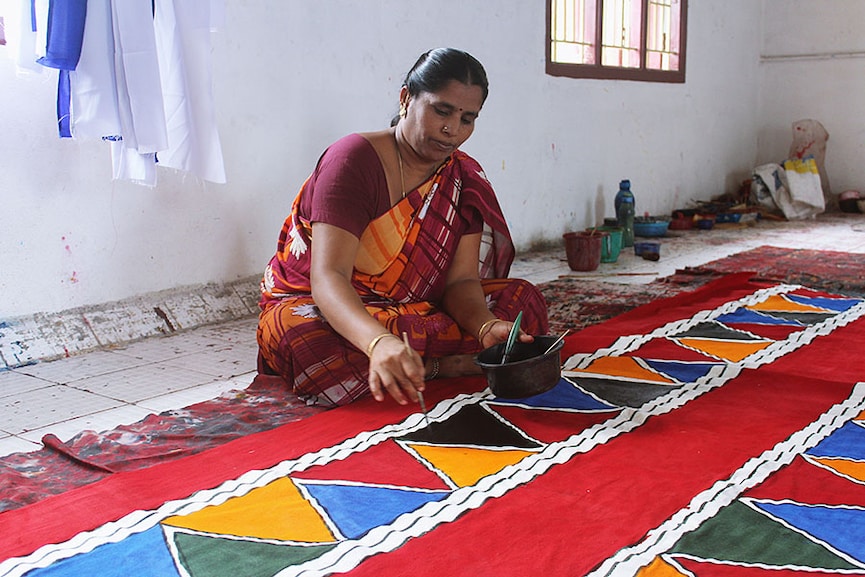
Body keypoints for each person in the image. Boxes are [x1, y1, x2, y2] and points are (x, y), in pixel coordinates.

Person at [257, 48, 549, 407]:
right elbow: (328, 277)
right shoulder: (353, 161)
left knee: (522, 303)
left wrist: (486, 326)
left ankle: (415, 363)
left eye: (467, 119)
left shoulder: (462, 177)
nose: (452, 130)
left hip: (416, 309)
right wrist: (379, 342)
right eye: (441, 110)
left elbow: (460, 282)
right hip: (336, 308)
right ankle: (434, 365)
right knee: (298, 333)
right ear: (405, 99)